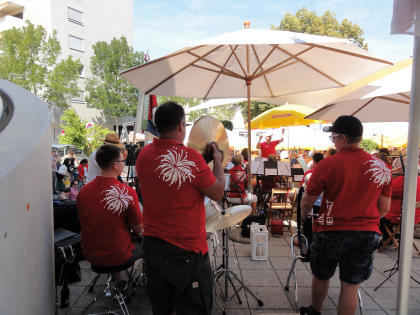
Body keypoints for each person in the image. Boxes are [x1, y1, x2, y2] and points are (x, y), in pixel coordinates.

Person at [136, 101, 225, 314]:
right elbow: (218, 192)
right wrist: (218, 162)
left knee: (161, 307)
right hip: (186, 250)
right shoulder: (191, 158)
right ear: (180, 126)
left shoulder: (144, 156)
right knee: (195, 308)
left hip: (153, 246)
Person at [299, 115, 392, 315]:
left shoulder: (327, 164)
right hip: (366, 233)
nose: (332, 142)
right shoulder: (382, 167)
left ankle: (315, 311)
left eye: (333, 138)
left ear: (342, 137)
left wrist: (304, 213)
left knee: (322, 275)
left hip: (330, 229)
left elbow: (307, 200)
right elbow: (384, 208)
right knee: (350, 284)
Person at [77, 144, 143, 290]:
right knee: (148, 243)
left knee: (113, 236)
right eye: (122, 161)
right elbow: (138, 228)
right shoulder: (126, 192)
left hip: (90, 254)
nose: (124, 164)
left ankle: (118, 281)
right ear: (115, 165)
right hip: (117, 255)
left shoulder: (83, 191)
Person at [379, 175, 420, 243]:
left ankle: (388, 238)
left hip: (402, 216)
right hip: (417, 216)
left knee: (378, 216)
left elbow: (386, 191)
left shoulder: (402, 179)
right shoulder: (418, 178)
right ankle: (392, 236)